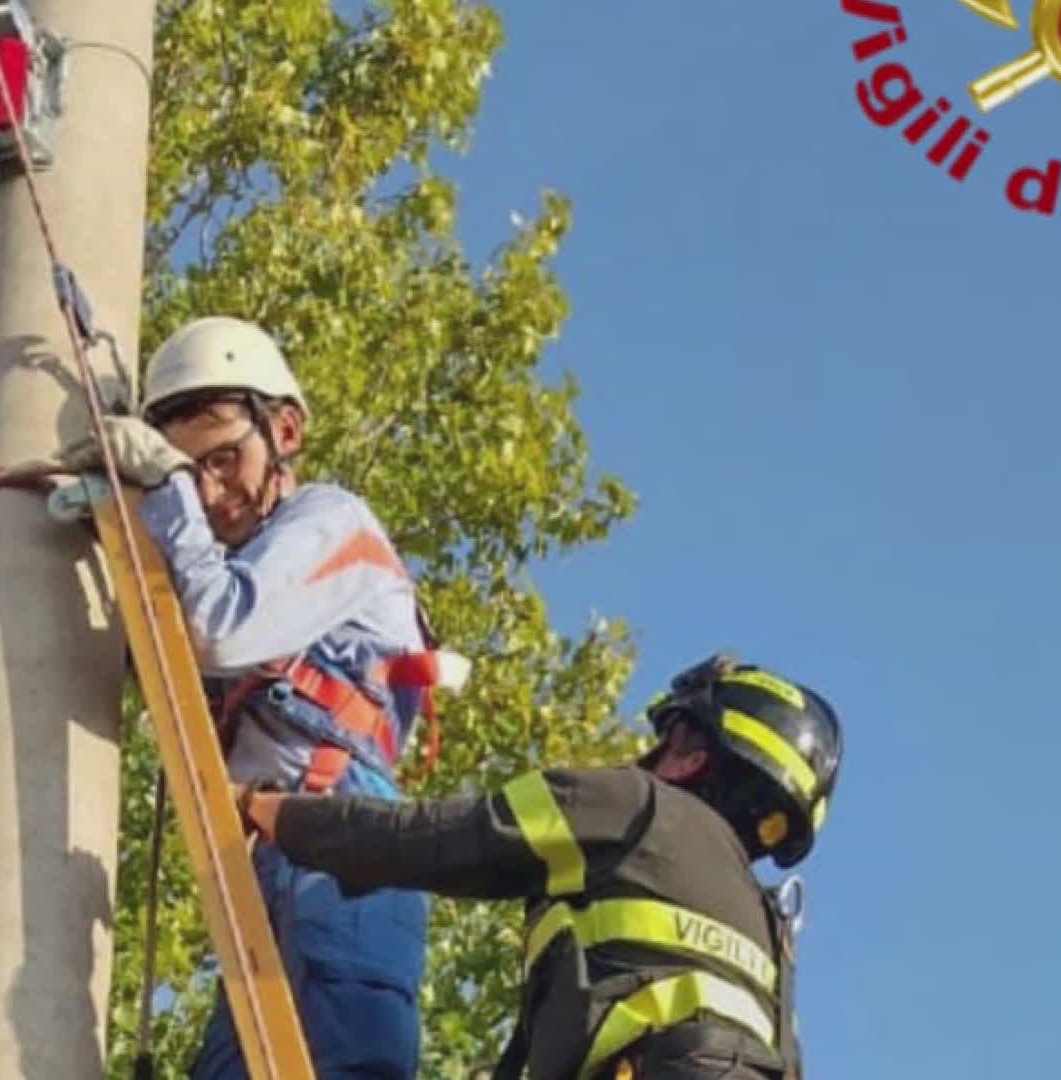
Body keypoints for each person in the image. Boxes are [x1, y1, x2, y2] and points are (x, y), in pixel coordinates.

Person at [65, 316, 463, 1079]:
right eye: (190, 468)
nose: (212, 490)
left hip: (348, 847)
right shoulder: (210, 557)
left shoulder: (332, 521)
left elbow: (223, 630)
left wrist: (169, 494)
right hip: (266, 860)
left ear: (283, 429)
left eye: (224, 458)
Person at [229, 651, 843, 1080]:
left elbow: (433, 839)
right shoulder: (769, 938)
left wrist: (270, 810)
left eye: (669, 737)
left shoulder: (633, 806)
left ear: (687, 752)